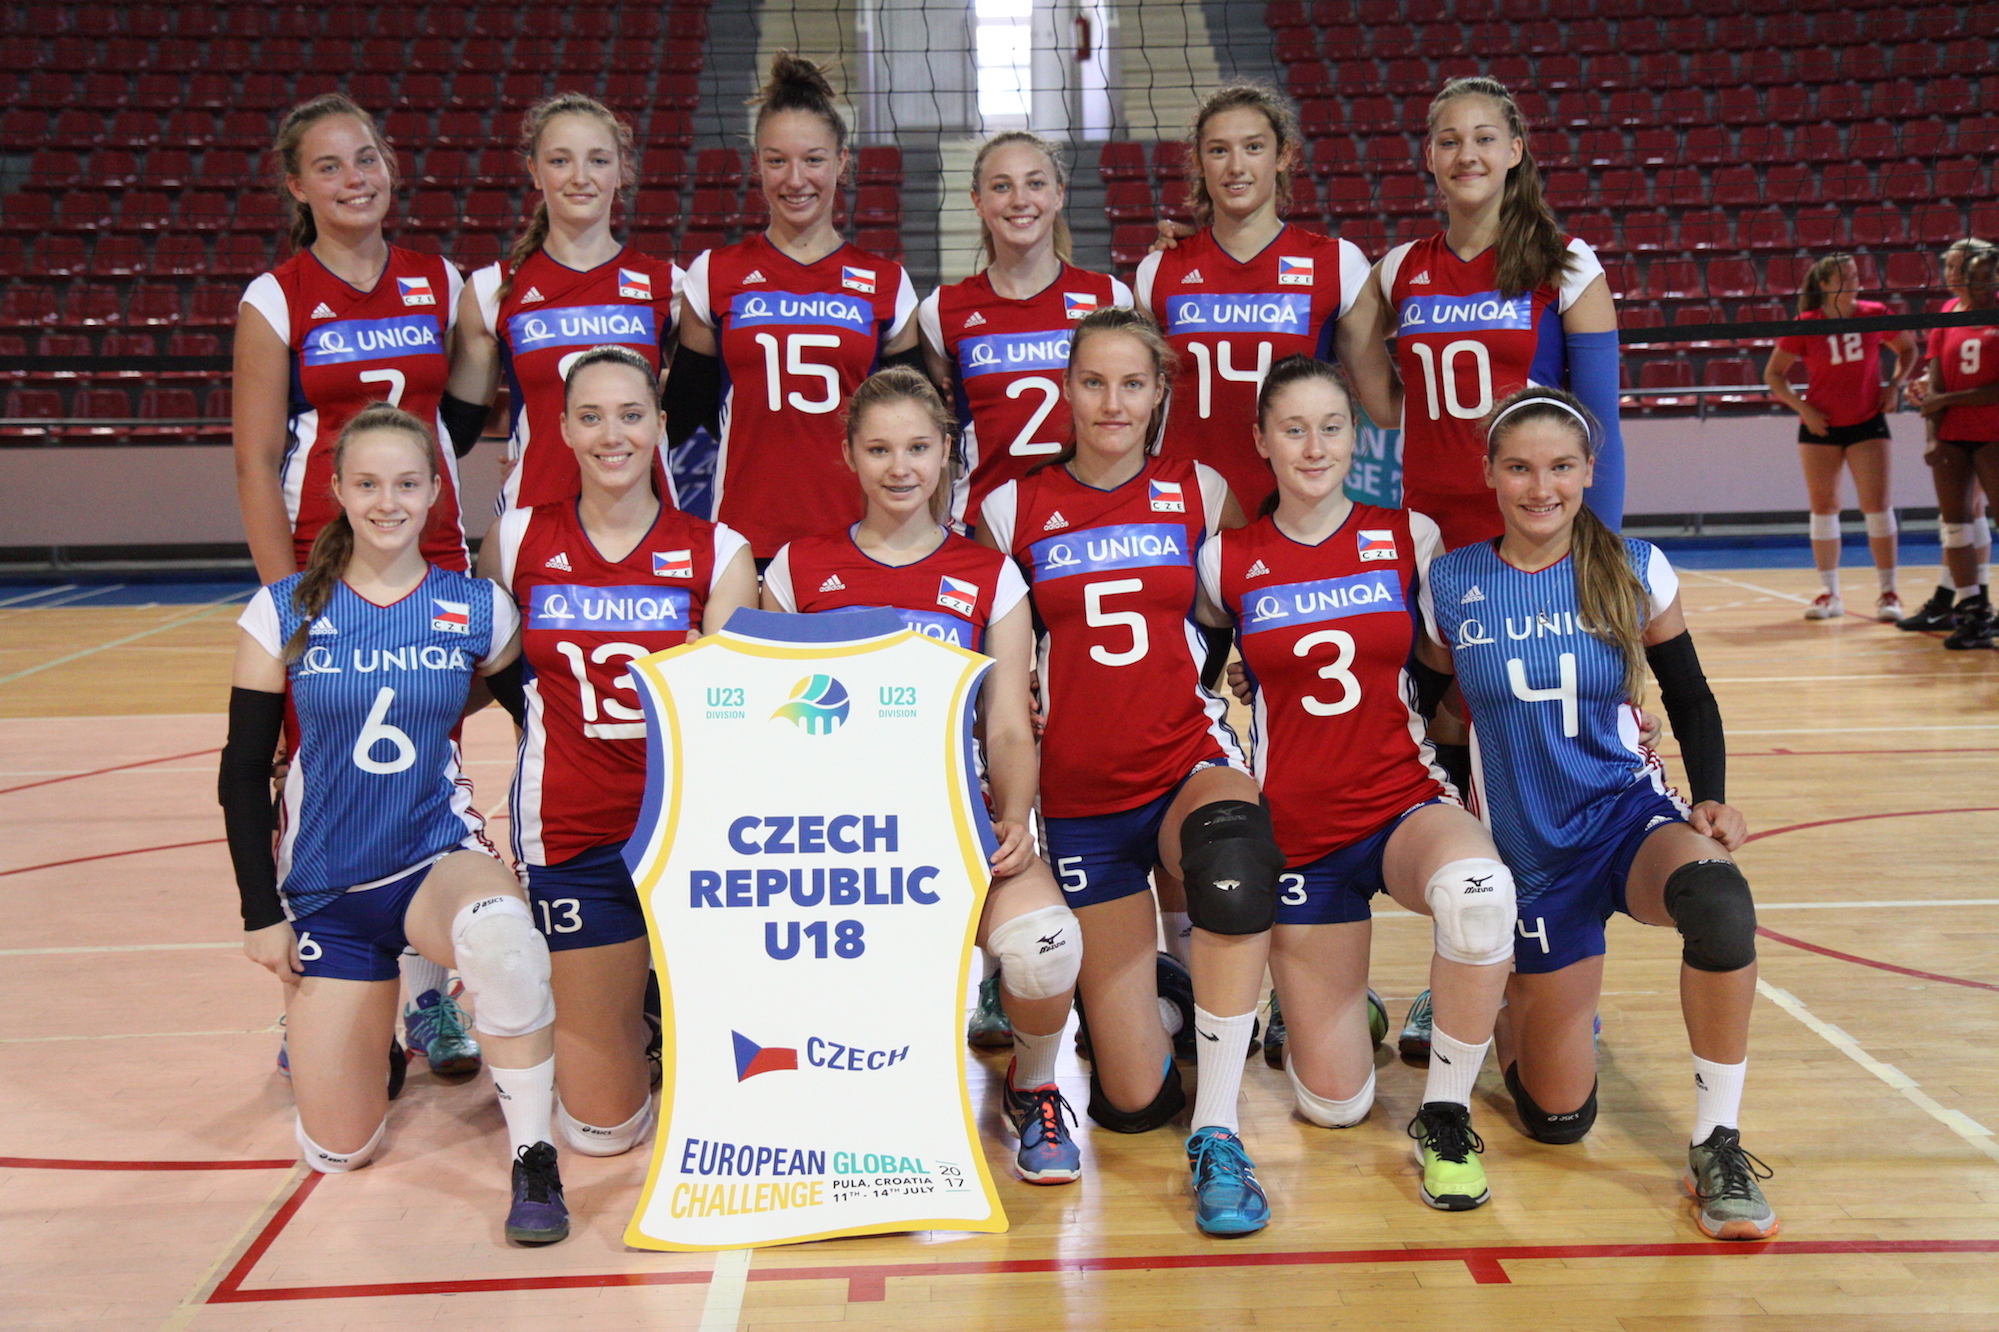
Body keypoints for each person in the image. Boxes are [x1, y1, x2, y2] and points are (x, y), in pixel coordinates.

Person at [1421, 385, 1778, 1242]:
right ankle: (1503, 1001)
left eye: (1559, 467)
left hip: (1625, 817)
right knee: (1556, 1118)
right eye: (1518, 468)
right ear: (1490, 473)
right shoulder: (1452, 581)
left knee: (1719, 904)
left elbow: (1688, 695)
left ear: (1588, 470)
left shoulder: (1632, 566)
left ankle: (1717, 1142)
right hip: (1527, 852)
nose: (1539, 487)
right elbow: (1426, 707)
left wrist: (1710, 795)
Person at [217, 404, 569, 1244]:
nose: (388, 502)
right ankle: (368, 1025)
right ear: (337, 491)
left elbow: (549, 727)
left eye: (407, 484)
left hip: (433, 860)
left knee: (504, 942)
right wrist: (261, 913)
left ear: (435, 491)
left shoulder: (475, 607)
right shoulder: (283, 610)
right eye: (368, 484)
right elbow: (242, 773)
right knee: (340, 1150)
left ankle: (534, 1159)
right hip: (326, 890)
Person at [977, 307, 1281, 1236]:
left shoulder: (1199, 489)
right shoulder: (1010, 508)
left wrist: (1227, 669)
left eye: (1133, 384)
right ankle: (1166, 1004)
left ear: (1159, 395)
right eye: (1094, 382)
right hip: (1080, 799)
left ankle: (1221, 1133)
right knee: (1135, 1100)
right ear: (1066, 390)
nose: (1113, 402)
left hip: (1185, 758)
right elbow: (985, 645)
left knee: (1233, 860)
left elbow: (1239, 601)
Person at [1198, 356, 1514, 1211]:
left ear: (1355, 436)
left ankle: (1445, 1117)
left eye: (1331, 428)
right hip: (1300, 834)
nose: (1313, 447)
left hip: (1402, 802)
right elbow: (1185, 678)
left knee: (1479, 895)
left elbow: (1463, 663)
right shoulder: (1225, 560)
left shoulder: (1408, 536)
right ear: (1261, 440)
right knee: (1334, 1105)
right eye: (1293, 429)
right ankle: (1348, 1006)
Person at [762, 366, 1087, 1185]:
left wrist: (1014, 817)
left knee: (1045, 947)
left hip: (955, 821)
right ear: (848, 455)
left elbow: (1006, 724)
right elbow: (767, 724)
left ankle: (1034, 1085)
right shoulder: (797, 570)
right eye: (878, 449)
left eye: (916, 448)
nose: (899, 467)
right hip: (838, 843)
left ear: (946, 452)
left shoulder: (988, 574)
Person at [232, 92, 478, 1078]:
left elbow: (460, 419)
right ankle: (322, 999)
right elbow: (255, 462)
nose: (353, 179)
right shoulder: (276, 296)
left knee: (428, 770)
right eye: (328, 166)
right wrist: (286, 604)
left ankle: (427, 1002)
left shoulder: (439, 281)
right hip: (322, 565)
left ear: (390, 167)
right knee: (321, 777)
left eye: (365, 158)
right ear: (297, 186)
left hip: (435, 556)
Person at [479, 346, 756, 1156]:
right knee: (601, 1132)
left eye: (631, 415)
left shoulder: (718, 551)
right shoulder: (517, 539)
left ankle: (662, 1006)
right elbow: (489, 671)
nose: (612, 435)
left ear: (660, 425)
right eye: (591, 417)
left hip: (692, 838)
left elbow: (738, 715)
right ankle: (635, 1016)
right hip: (573, 837)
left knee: (733, 1090)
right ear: (562, 429)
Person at [1346, 75, 1626, 550]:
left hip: (1533, 527)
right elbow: (1354, 343)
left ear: (1514, 151)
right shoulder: (1400, 268)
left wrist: (1603, 546)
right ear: (1430, 157)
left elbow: (1600, 427)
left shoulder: (1565, 262)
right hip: (1428, 529)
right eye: (1449, 142)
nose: (1467, 155)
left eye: (1484, 139)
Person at [671, 52, 920, 560]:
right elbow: (685, 412)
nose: (795, 179)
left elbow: (917, 420)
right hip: (747, 536)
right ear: (757, 164)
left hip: (864, 538)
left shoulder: (886, 283)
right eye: (776, 160)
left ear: (842, 161)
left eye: (813, 159)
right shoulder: (713, 275)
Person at [1134, 84, 1382, 520]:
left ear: (1282, 155)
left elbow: (1385, 405)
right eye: (1218, 150)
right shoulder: (1159, 271)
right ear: (1199, 162)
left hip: (1295, 512)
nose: (1236, 166)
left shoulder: (1336, 265)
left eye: (1253, 147)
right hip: (1182, 511)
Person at [451, 93, 680, 513]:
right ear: (534, 171)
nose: (580, 177)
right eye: (560, 161)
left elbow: (694, 408)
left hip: (647, 520)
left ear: (621, 170)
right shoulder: (491, 289)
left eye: (598, 160)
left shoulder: (668, 285)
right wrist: (530, 456)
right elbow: (457, 432)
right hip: (535, 517)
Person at [918, 130, 1133, 530]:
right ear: (978, 201)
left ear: (1059, 194)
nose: (1020, 200)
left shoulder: (1109, 298)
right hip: (982, 527)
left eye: (1035, 184)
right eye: (1002, 187)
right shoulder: (942, 311)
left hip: (1090, 525)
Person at [1763, 253, 1918, 621]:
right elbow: (1774, 374)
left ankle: (1889, 593)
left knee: (1877, 506)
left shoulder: (1874, 313)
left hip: (1867, 421)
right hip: (1821, 425)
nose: (1854, 282)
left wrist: (1895, 385)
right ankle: (1829, 594)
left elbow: (1909, 349)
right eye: (1845, 277)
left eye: (1855, 275)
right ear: (1825, 284)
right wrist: (1804, 408)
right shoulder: (1807, 323)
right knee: (1824, 507)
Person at [1901, 237, 1997, 635]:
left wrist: (1944, 398)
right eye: (1953, 268)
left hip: (1993, 433)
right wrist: (1931, 430)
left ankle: (1967, 604)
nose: (1958, 276)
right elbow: (1936, 382)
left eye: (1968, 269)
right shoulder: (1947, 313)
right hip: (1954, 433)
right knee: (1956, 522)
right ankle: (1973, 610)